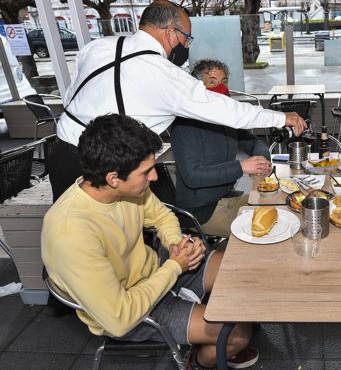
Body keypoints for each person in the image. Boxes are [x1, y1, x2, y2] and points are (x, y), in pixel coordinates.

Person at [42, 115, 259, 370]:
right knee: (238, 335)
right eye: (146, 172)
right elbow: (119, 318)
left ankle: (199, 326)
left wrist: (175, 243)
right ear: (113, 178)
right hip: (132, 311)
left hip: (157, 270)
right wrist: (175, 267)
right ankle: (198, 361)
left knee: (244, 273)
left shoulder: (123, 189)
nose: (155, 177)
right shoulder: (71, 234)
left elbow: (161, 215)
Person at [49, 0, 306, 201]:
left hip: (63, 153)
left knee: (70, 231)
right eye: (186, 38)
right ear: (171, 32)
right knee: (103, 244)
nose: (185, 46)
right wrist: (281, 117)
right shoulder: (164, 74)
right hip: (110, 166)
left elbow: (72, 96)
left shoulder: (97, 47)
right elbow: (226, 110)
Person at [172, 60, 271, 237]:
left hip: (228, 197)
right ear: (197, 87)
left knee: (274, 210)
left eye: (223, 81)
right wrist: (241, 167)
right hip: (201, 212)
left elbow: (254, 142)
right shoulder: (185, 126)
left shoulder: (226, 117)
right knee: (261, 231)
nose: (220, 87)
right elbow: (193, 176)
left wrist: (261, 159)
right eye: (212, 82)